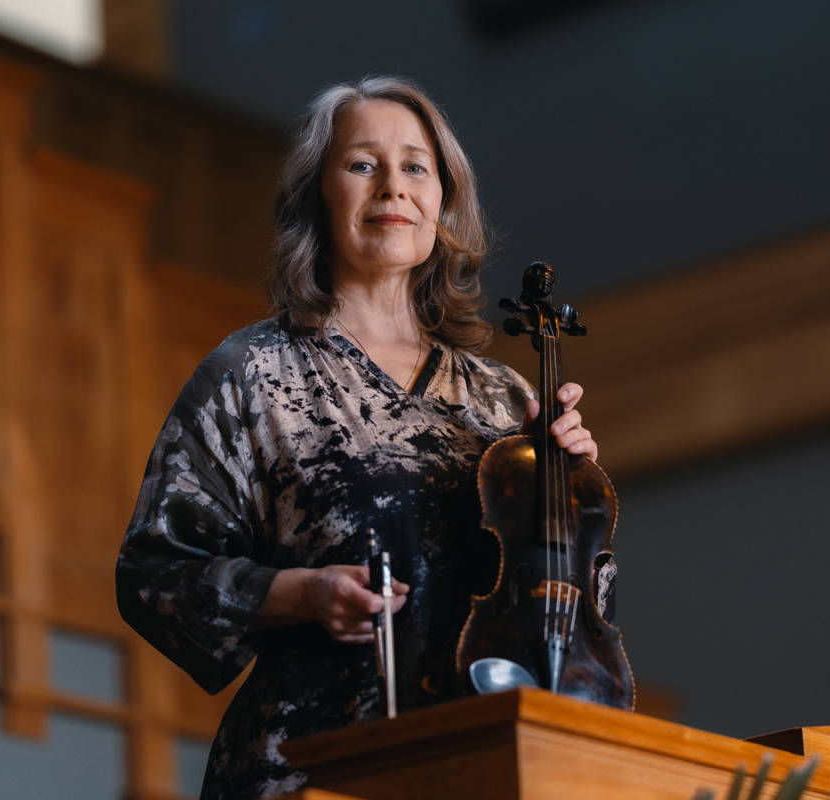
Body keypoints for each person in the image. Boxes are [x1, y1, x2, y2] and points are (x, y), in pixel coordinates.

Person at [115, 76, 604, 800]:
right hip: (311, 768)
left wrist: (573, 495)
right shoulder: (251, 373)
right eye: (361, 165)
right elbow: (154, 574)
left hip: (476, 768)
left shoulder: (506, 399)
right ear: (319, 195)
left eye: (415, 166)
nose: (392, 188)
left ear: (443, 202)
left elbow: (571, 607)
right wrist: (299, 593)